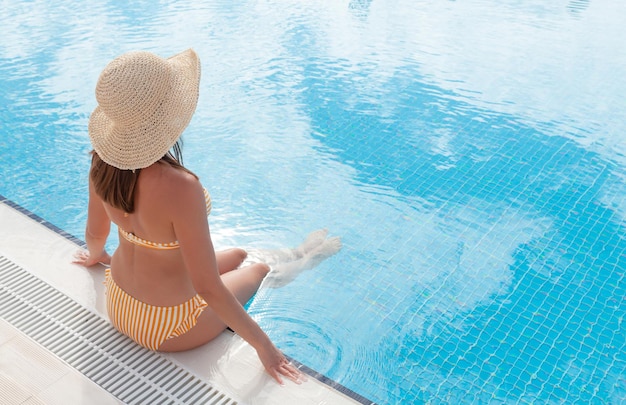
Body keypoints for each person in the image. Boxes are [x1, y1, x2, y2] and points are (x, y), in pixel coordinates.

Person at [72, 49, 341, 385]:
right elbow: (207, 287)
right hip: (169, 327)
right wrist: (264, 347)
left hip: (121, 305)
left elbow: (95, 233)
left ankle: (297, 253)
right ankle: (304, 258)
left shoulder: (101, 161)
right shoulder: (181, 187)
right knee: (257, 269)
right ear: (165, 116)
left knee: (238, 255)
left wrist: (96, 258)